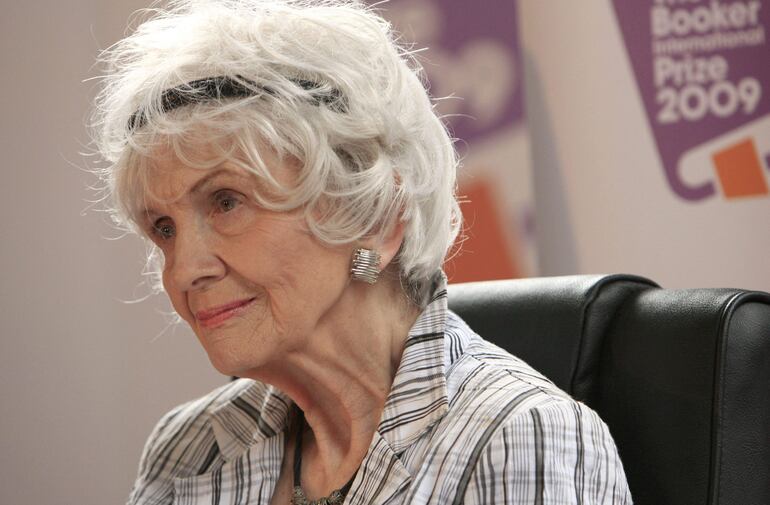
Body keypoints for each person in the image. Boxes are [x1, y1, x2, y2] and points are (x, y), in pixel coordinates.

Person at [92, 1, 632, 503]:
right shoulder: (190, 448)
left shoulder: (519, 438)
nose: (184, 270)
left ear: (375, 216)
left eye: (227, 202)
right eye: (164, 228)